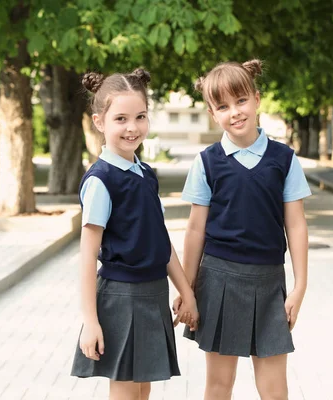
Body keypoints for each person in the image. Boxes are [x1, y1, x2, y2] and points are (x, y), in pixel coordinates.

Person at [174, 59, 311, 400]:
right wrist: (187, 287)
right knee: (219, 385)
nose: (234, 112)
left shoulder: (284, 159)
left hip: (269, 283)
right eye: (223, 106)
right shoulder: (206, 162)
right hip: (218, 280)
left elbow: (295, 224)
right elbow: (194, 230)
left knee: (274, 388)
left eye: (241, 101)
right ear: (212, 113)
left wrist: (299, 287)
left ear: (257, 99)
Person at [71, 68, 198, 400]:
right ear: (99, 121)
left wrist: (187, 291)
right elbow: (86, 260)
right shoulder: (101, 181)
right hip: (121, 298)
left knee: (143, 391)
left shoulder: (145, 174)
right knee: (126, 392)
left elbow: (160, 240)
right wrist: (90, 321)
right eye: (121, 119)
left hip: (153, 294)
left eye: (140, 117)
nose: (132, 127)